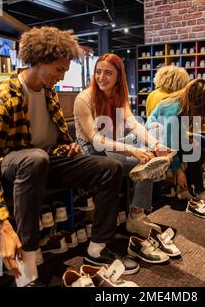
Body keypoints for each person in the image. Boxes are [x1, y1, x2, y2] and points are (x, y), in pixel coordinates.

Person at [0, 27, 138, 287]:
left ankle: (97, 248)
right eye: (59, 69)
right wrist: (4, 226)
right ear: (40, 60)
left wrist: (68, 148)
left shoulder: (49, 92)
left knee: (111, 167)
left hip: (45, 162)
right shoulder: (2, 94)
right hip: (15, 166)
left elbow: (56, 142)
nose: (62, 76)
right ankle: (26, 270)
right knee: (35, 159)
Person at [74, 53, 173, 238]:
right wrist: (133, 150)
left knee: (155, 129)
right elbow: (95, 139)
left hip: (114, 144)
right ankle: (136, 217)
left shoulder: (119, 97)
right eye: (98, 72)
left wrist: (157, 144)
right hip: (91, 150)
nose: (101, 77)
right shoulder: (84, 98)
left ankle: (136, 213)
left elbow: (133, 124)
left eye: (108, 73)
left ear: (119, 76)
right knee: (144, 161)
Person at [146, 79, 205, 215]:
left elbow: (180, 130)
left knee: (201, 141)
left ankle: (188, 188)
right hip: (156, 139)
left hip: (169, 134)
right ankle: (198, 191)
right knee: (192, 150)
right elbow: (169, 143)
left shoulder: (184, 102)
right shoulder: (174, 108)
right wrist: (178, 170)